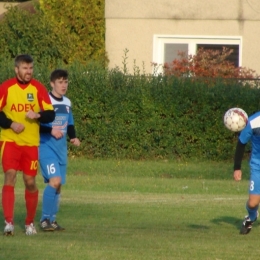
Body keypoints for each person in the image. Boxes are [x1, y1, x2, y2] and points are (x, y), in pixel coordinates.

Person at [0, 54, 55, 236]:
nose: (28, 72)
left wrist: (38, 115)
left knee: (30, 182)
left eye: (30, 68)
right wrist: (10, 124)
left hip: (31, 143)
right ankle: (9, 223)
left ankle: (29, 223)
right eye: (24, 68)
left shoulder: (38, 88)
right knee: (10, 175)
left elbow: (50, 114)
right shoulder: (6, 88)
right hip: (9, 140)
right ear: (16, 69)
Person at [39, 69, 80, 231]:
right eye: (60, 82)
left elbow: (69, 123)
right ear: (52, 83)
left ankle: (53, 220)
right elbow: (36, 125)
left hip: (61, 150)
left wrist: (73, 137)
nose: (64, 85)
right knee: (54, 181)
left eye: (66, 82)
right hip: (46, 147)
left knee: (59, 185)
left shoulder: (67, 102)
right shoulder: (45, 101)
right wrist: (51, 131)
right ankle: (44, 219)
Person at [233, 111, 260, 234]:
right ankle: (251, 217)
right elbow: (241, 143)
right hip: (258, 166)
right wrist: (237, 168)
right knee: (253, 203)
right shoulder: (253, 122)